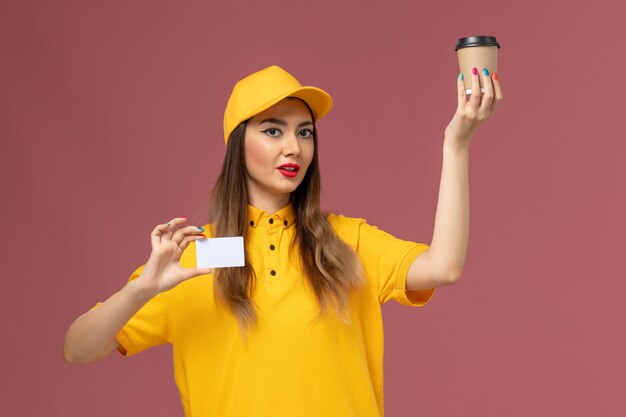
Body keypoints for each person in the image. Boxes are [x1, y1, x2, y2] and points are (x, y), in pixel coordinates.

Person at [63, 65, 503, 416]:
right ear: (239, 144)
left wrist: (456, 144)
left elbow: (444, 266)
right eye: (273, 130)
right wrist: (142, 288)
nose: (293, 147)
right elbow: (78, 349)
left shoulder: (346, 241)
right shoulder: (193, 258)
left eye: (304, 132)